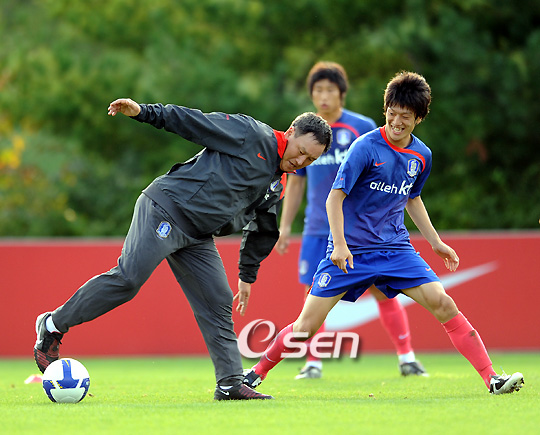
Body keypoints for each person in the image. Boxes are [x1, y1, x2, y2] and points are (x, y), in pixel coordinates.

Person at [243, 71, 524, 395]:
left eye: (405, 116)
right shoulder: (365, 147)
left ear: (418, 118)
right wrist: (340, 245)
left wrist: (435, 242)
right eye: (392, 113)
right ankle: (255, 373)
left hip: (395, 250)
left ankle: (492, 379)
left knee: (443, 303)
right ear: (385, 110)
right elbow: (335, 198)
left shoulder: (422, 155)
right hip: (351, 252)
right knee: (305, 327)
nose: (396, 122)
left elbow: (412, 198)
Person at [33, 98, 332, 401]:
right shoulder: (251, 133)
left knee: (217, 301)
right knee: (128, 279)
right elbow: (193, 122)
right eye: (301, 151)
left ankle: (230, 383)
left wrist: (247, 274)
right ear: (291, 132)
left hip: (198, 236)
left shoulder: (277, 183)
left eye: (310, 160)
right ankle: (53, 324)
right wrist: (143, 112)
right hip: (165, 209)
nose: (301, 161)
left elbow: (263, 230)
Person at [276, 61, 427, 380]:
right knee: (314, 294)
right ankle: (313, 362)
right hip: (318, 227)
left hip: (363, 232)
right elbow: (296, 181)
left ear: (342, 94)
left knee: (383, 290)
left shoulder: (362, 127)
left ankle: (407, 357)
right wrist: (285, 226)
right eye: (318, 90)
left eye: (330, 90)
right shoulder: (305, 132)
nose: (323, 96)